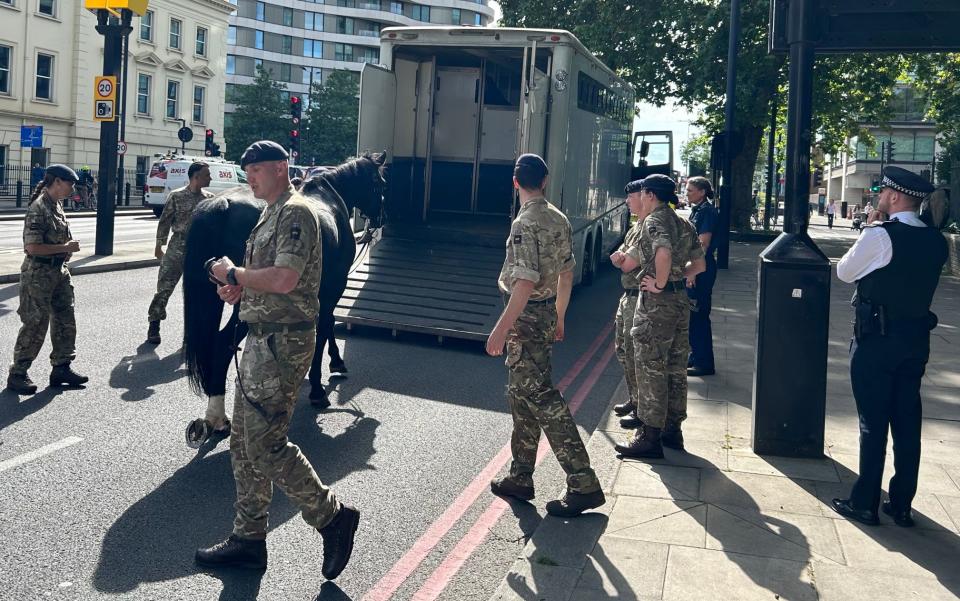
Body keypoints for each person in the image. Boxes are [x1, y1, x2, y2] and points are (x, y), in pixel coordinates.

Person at [198, 141, 359, 578]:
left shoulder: (296, 213)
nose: (248, 178)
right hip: (259, 338)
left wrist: (233, 273)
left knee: (266, 446)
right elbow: (266, 280)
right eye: (245, 171)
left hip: (282, 344)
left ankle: (333, 517)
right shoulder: (269, 214)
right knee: (242, 445)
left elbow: (286, 279)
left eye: (256, 171)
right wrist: (238, 289)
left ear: (280, 168)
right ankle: (248, 539)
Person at [486, 153, 605, 517]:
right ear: (546, 181)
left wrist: (499, 331)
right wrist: (560, 316)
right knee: (521, 398)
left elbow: (524, 282)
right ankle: (520, 476)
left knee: (542, 399)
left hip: (524, 318)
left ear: (515, 182)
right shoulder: (558, 218)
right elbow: (566, 274)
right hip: (545, 312)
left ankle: (583, 481)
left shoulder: (524, 223)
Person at [831, 166, 948, 528]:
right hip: (915, 340)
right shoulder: (936, 240)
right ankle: (901, 503)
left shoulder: (880, 235)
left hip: (876, 339)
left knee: (873, 422)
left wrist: (869, 228)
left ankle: (864, 502)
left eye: (882, 191)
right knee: (907, 420)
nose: (878, 196)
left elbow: (845, 273)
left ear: (895, 197)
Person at [615, 174, 705, 458]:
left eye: (642, 192)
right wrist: (677, 280)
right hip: (680, 302)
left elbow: (662, 252)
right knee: (676, 367)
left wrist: (660, 283)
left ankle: (649, 437)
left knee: (650, 366)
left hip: (657, 303)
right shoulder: (684, 222)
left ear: (651, 195)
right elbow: (700, 264)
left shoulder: (654, 220)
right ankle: (672, 430)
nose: (639, 197)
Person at [6, 165, 88, 395]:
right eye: (70, 183)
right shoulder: (38, 208)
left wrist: (66, 250)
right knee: (35, 324)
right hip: (38, 274)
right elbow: (32, 247)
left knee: (65, 319)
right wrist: (64, 247)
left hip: (58, 272)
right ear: (58, 182)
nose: (72, 188)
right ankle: (18, 373)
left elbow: (58, 236)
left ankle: (61, 368)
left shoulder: (56, 204)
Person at [146, 161, 213, 344]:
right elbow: (165, 221)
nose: (210, 178)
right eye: (207, 175)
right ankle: (154, 324)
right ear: (196, 177)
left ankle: (192, 331)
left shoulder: (209, 199)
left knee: (196, 292)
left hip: (199, 250)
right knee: (164, 288)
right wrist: (159, 245)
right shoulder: (176, 196)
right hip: (177, 247)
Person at [609, 180, 647, 429]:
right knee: (623, 351)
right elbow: (617, 257)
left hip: (640, 297)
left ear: (644, 197)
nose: (627, 202)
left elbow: (625, 261)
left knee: (637, 355)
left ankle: (643, 408)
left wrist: (622, 260)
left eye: (631, 197)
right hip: (628, 295)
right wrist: (621, 260)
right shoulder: (635, 227)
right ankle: (635, 399)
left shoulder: (649, 228)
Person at [685, 176, 718, 377]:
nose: (687, 193)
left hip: (702, 269)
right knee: (693, 315)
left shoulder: (707, 212)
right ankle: (696, 356)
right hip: (699, 267)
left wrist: (693, 272)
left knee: (698, 316)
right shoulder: (699, 210)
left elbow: (703, 244)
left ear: (702, 192)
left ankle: (704, 363)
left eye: (690, 190)